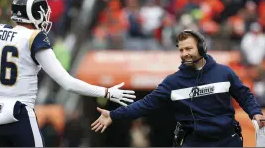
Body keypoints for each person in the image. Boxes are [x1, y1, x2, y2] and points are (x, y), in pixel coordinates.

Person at [0, 0, 136, 147]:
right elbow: (67, 83)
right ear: (33, 13)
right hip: (20, 116)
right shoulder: (33, 38)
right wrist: (106, 92)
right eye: (42, 12)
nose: (45, 17)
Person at [91, 30, 265, 147]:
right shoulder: (173, 83)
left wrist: (255, 112)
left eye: (188, 48)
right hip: (194, 143)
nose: (184, 54)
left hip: (227, 142)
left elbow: (244, 96)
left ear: (202, 48)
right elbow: (145, 105)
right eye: (181, 50)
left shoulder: (224, 72)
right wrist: (114, 115)